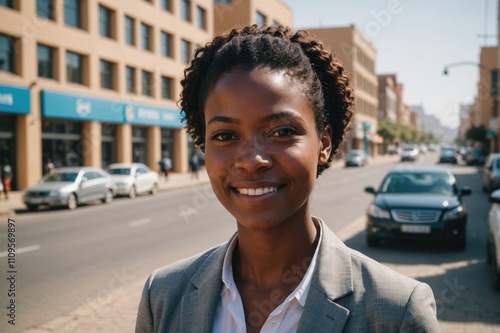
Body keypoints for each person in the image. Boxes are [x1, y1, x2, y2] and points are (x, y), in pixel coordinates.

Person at [136, 25, 439, 332]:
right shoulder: (162, 296)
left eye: (282, 132)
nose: (252, 160)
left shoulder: (397, 311)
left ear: (324, 144)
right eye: (225, 135)